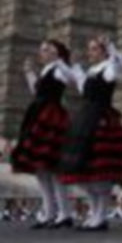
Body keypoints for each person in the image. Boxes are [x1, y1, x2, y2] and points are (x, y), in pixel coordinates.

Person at [59, 36, 122, 231]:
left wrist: (112, 49)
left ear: (103, 52)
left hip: (101, 119)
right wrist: (75, 66)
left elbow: (120, 66)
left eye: (95, 49)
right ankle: (95, 213)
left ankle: (101, 215)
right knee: (87, 170)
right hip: (86, 118)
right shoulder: (91, 71)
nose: (90, 52)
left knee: (101, 171)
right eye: (90, 49)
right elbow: (82, 88)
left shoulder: (109, 68)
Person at [10, 40, 75, 229]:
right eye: (42, 50)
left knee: (53, 168)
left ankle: (65, 213)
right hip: (38, 114)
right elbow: (37, 92)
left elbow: (72, 79)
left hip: (52, 117)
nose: (42, 52)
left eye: (47, 49)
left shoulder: (59, 69)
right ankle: (49, 213)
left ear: (56, 52)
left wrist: (60, 60)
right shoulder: (46, 70)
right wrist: (29, 73)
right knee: (41, 170)